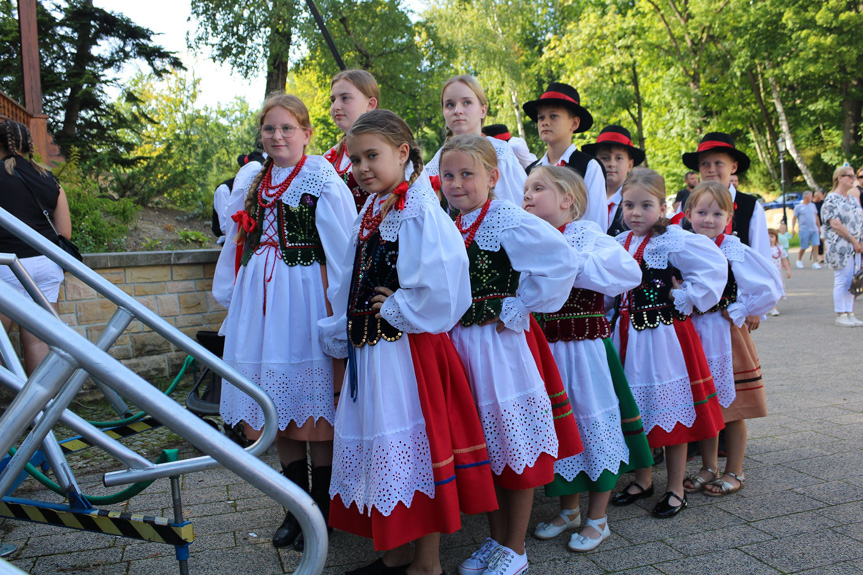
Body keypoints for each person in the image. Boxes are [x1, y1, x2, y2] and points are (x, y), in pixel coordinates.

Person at [319, 111, 497, 575]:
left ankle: (427, 563)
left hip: (405, 353)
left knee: (413, 452)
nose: (361, 167)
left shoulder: (417, 209)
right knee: (386, 453)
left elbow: (446, 286)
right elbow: (348, 276)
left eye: (372, 155)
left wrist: (400, 306)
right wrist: (345, 322)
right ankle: (396, 550)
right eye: (355, 158)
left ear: (403, 153)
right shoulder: (375, 208)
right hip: (373, 352)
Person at [211, 93, 357, 551]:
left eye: (287, 128)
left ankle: (323, 506)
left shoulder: (319, 176)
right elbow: (237, 241)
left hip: (305, 294)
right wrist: (234, 298)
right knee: (274, 403)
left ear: (306, 133)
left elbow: (341, 246)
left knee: (314, 406)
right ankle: (294, 505)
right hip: (260, 297)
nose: (277, 136)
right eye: (270, 128)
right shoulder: (253, 180)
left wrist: (338, 311)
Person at [438, 136, 580, 575]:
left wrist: (522, 304)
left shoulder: (503, 217)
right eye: (448, 175)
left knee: (512, 444)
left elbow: (560, 259)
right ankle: (496, 540)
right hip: (462, 346)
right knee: (487, 450)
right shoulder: (453, 221)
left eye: (467, 174)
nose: (457, 184)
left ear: (492, 177)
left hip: (497, 348)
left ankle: (515, 548)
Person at [524, 166, 652, 552]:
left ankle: (599, 517)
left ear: (568, 200)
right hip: (546, 352)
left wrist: (571, 265)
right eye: (525, 189)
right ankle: (569, 510)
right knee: (562, 428)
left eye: (538, 188)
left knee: (593, 426)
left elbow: (627, 273)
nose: (527, 195)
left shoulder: (586, 234)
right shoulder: (526, 238)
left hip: (584, 351)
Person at [609, 168, 727, 519]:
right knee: (636, 409)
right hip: (627, 335)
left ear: (662, 207)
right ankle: (643, 478)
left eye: (646, 205)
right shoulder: (618, 243)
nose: (635, 213)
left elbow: (713, 264)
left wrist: (687, 297)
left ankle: (675, 487)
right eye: (629, 205)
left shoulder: (671, 240)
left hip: (662, 338)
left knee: (669, 411)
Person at [683, 182, 782, 497]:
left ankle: (735, 470)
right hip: (694, 333)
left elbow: (770, 285)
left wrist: (742, 308)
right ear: (688, 214)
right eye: (702, 212)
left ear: (728, 218)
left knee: (733, 407)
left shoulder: (732, 248)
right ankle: (708, 466)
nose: (708, 219)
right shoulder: (683, 246)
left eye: (716, 213)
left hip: (725, 334)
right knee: (705, 405)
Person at [0, 119, 71, 374]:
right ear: (27, 144)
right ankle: (41, 409)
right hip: (46, 264)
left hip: (6, 266)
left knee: (1, 341)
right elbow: (64, 232)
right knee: (39, 340)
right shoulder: (50, 179)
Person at [425, 75, 526, 207]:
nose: (457, 111)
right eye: (450, 105)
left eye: (467, 102)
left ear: (483, 110)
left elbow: (522, 199)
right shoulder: (435, 165)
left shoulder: (500, 152)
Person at [521, 83, 607, 230]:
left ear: (574, 123)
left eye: (553, 116)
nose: (545, 122)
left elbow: (595, 223)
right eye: (541, 118)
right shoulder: (531, 170)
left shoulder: (588, 166)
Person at [682, 132, 771, 261]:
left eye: (718, 163)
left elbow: (761, 256)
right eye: (705, 164)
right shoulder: (687, 204)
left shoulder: (750, 206)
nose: (711, 169)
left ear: (733, 167)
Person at [324, 69, 380, 212]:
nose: (335, 106)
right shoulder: (329, 158)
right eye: (333, 100)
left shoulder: (391, 150)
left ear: (370, 104)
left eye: (345, 98)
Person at [581, 125, 646, 237]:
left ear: (630, 165)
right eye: (604, 158)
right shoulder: (584, 198)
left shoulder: (639, 201)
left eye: (619, 158)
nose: (611, 164)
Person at [821, 166, 863, 327]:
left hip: (856, 245)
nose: (853, 179)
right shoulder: (831, 198)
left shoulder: (852, 198)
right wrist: (853, 240)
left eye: (854, 177)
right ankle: (841, 313)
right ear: (839, 178)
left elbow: (860, 219)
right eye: (850, 176)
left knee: (854, 280)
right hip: (840, 245)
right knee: (842, 279)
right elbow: (834, 223)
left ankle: (850, 312)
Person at [791, 191, 822, 269]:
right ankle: (799, 259)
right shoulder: (798, 207)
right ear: (805, 197)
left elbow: (816, 216)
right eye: (811, 196)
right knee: (804, 246)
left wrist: (819, 227)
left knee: (816, 245)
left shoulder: (812, 205)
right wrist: (793, 228)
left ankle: (815, 262)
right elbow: (794, 218)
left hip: (814, 229)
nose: (812, 198)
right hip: (804, 229)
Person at [767, 229, 791, 317]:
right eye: (768, 237)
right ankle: (773, 308)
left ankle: (771, 306)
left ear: (776, 238)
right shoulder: (764, 249)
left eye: (772, 237)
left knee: (777, 289)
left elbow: (784, 260)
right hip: (768, 274)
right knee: (771, 290)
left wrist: (788, 270)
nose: (769, 239)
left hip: (777, 274)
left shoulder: (779, 249)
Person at [813, 190, 827, 264]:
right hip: (814, 225)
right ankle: (819, 255)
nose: (820, 199)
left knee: (824, 240)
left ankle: (823, 256)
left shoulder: (823, 203)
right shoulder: (812, 204)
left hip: (823, 224)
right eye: (819, 198)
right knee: (818, 242)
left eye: (821, 197)